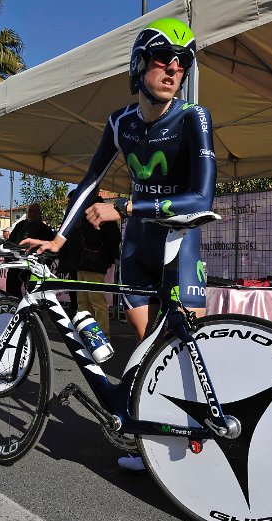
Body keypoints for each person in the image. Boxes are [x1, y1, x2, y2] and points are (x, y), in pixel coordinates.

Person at [21, 18, 216, 470]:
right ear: (139, 63)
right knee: (149, 358)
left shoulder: (192, 117)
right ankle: (156, 452)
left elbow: (201, 197)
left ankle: (201, 459)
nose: (174, 70)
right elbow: (89, 182)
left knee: (188, 357)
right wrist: (59, 237)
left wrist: (126, 207)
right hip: (136, 253)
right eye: (164, 58)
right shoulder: (120, 122)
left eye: (183, 62)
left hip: (178, 247)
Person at [74, 193, 121, 337]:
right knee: (84, 300)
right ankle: (89, 333)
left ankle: (102, 335)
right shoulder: (86, 212)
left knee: (95, 301)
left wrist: (107, 258)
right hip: (85, 261)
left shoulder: (98, 212)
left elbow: (113, 238)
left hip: (94, 262)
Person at [6, 203, 55, 296]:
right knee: (11, 289)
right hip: (17, 262)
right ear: (27, 213)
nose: (32, 214)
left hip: (35, 265)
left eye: (35, 212)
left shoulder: (45, 229)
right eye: (30, 211)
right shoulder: (20, 225)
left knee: (34, 293)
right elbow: (11, 241)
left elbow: (50, 246)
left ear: (39, 213)